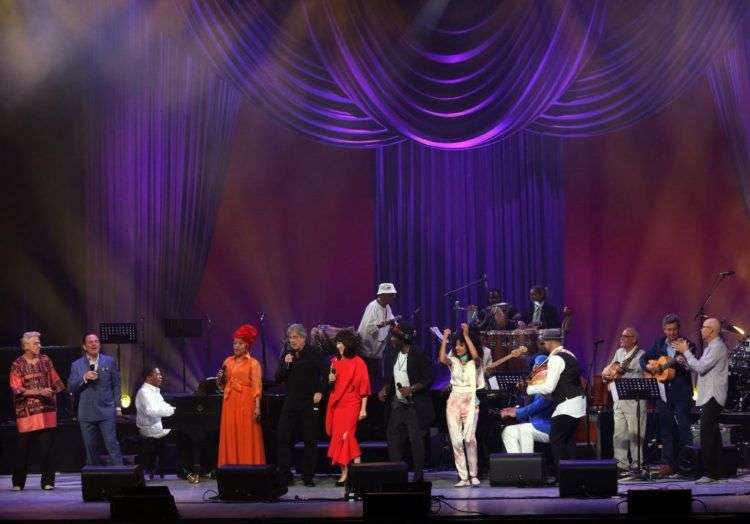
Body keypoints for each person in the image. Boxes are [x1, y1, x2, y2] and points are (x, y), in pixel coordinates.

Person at [673, 318, 729, 483]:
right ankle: (717, 471)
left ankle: (710, 473)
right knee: (713, 434)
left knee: (707, 434)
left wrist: (686, 351)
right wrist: (686, 362)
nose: (701, 330)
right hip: (708, 395)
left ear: (711, 330)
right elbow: (699, 367)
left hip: (714, 395)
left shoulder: (717, 347)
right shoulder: (711, 347)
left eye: (704, 327)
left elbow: (701, 367)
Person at [639, 313, 695, 478]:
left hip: (681, 393)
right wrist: (650, 368)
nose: (671, 333)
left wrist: (682, 362)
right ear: (664, 330)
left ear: (679, 329)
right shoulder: (658, 343)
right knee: (665, 428)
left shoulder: (687, 344)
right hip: (663, 393)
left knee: (683, 426)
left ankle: (687, 463)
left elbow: (690, 365)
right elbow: (643, 358)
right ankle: (667, 464)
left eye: (674, 329)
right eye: (668, 330)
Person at [525, 328, 586, 479]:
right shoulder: (569, 354)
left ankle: (562, 478)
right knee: (568, 440)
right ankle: (573, 477)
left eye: (543, 342)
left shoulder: (556, 359)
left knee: (556, 439)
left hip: (567, 404)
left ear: (549, 342)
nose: (542, 345)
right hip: (577, 402)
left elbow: (548, 387)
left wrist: (529, 389)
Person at [378, 323, 434, 482]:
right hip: (398, 404)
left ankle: (418, 476)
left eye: (395, 337)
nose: (392, 340)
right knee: (393, 437)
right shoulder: (394, 354)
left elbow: (429, 378)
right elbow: (393, 376)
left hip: (414, 405)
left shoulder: (419, 354)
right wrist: (386, 388)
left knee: (416, 440)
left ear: (405, 339)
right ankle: (397, 473)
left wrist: (412, 389)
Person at [9, 331, 65, 490]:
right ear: (25, 346)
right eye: (35, 343)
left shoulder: (46, 360)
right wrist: (39, 392)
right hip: (27, 415)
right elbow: (16, 389)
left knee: (48, 451)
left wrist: (51, 391)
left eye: (39, 343)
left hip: (47, 413)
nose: (39, 345)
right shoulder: (17, 364)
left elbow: (56, 382)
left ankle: (48, 482)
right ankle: (18, 482)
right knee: (22, 451)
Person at [275, 324, 328, 487]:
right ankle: (285, 475)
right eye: (290, 337)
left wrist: (320, 391)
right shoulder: (287, 354)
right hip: (291, 401)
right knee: (283, 437)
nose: (293, 340)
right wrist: (286, 364)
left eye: (296, 337)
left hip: (309, 401)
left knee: (309, 439)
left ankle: (308, 475)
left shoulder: (314, 353)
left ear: (304, 338)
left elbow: (327, 373)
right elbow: (278, 378)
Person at [68, 332, 123, 466]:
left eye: (96, 341)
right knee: (90, 447)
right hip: (86, 412)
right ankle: (94, 479)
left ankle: (121, 476)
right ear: (85, 346)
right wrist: (84, 378)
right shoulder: (77, 365)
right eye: (90, 342)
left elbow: (116, 385)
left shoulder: (109, 361)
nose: (94, 344)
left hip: (107, 410)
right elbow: (70, 387)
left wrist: (118, 406)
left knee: (112, 444)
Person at [326, 329, 371, 486]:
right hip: (337, 405)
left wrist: (363, 409)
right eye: (337, 342)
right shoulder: (334, 362)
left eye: (340, 343)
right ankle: (348, 471)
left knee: (347, 436)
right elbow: (332, 386)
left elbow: (364, 388)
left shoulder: (359, 362)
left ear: (347, 344)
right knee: (338, 438)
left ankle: (353, 472)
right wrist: (330, 379)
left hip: (352, 404)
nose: (338, 345)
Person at [439, 323, 481, 487]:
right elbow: (442, 359)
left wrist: (466, 335)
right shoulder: (454, 361)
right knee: (456, 440)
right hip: (454, 400)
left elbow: (475, 355)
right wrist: (444, 339)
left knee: (469, 439)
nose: (458, 348)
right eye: (456, 345)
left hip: (470, 400)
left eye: (461, 345)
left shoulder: (473, 363)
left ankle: (473, 474)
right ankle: (463, 477)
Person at [217, 324, 265, 466]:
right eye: (235, 343)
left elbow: (257, 386)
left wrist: (257, 407)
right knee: (231, 434)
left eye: (240, 343)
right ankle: (230, 466)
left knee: (246, 435)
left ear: (247, 345)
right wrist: (220, 380)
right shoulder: (227, 361)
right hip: (229, 402)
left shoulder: (253, 364)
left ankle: (249, 465)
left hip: (246, 401)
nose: (236, 346)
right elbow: (222, 386)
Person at [134, 366, 193, 481]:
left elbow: (164, 406)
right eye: (157, 374)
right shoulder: (144, 392)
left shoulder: (154, 392)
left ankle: (185, 469)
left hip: (158, 426)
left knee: (185, 434)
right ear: (149, 377)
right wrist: (173, 411)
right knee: (184, 436)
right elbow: (151, 411)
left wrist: (177, 410)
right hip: (151, 429)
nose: (161, 377)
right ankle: (183, 470)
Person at [601, 327, 646, 475]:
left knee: (635, 433)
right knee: (619, 433)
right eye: (621, 336)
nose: (622, 338)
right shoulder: (619, 353)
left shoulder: (641, 355)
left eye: (626, 336)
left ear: (634, 339)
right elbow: (609, 368)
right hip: (618, 398)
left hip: (634, 400)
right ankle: (621, 464)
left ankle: (637, 464)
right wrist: (606, 374)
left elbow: (646, 375)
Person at [501, 354, 554, 453]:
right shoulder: (536, 382)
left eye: (540, 365)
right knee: (508, 432)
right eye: (535, 365)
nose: (536, 368)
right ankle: (518, 466)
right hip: (535, 424)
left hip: (547, 426)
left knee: (525, 430)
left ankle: (529, 465)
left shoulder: (549, 383)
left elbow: (539, 404)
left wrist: (516, 412)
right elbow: (529, 404)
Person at [357, 282, 397, 388]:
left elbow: (392, 320)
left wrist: (395, 326)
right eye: (390, 295)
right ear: (382, 295)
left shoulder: (387, 307)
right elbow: (368, 329)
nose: (393, 297)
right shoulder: (373, 307)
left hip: (377, 350)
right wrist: (384, 324)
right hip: (367, 351)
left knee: (376, 379)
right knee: (368, 380)